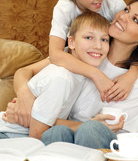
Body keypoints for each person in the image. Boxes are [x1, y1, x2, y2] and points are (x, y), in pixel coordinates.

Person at [3, 0, 138, 149]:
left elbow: (108, 129)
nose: (123, 17)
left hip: (114, 143)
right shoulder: (86, 52)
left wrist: (33, 116)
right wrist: (25, 99)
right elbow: (25, 71)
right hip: (68, 136)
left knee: (89, 130)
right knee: (58, 134)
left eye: (135, 20)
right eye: (126, 10)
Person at [0, 11, 122, 140]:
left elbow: (45, 122)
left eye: (104, 39)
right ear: (72, 43)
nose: (98, 46)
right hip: (8, 135)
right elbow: (38, 133)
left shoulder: (72, 66)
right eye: (88, 37)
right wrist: (25, 95)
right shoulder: (61, 77)